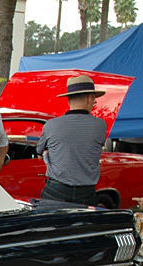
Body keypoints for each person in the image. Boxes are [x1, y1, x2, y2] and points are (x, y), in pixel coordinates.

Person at [36, 75, 108, 206]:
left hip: (56, 189)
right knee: (81, 226)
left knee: (50, 225)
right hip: (86, 192)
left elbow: (39, 151)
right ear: (89, 98)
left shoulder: (51, 125)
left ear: (68, 99)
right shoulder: (100, 125)